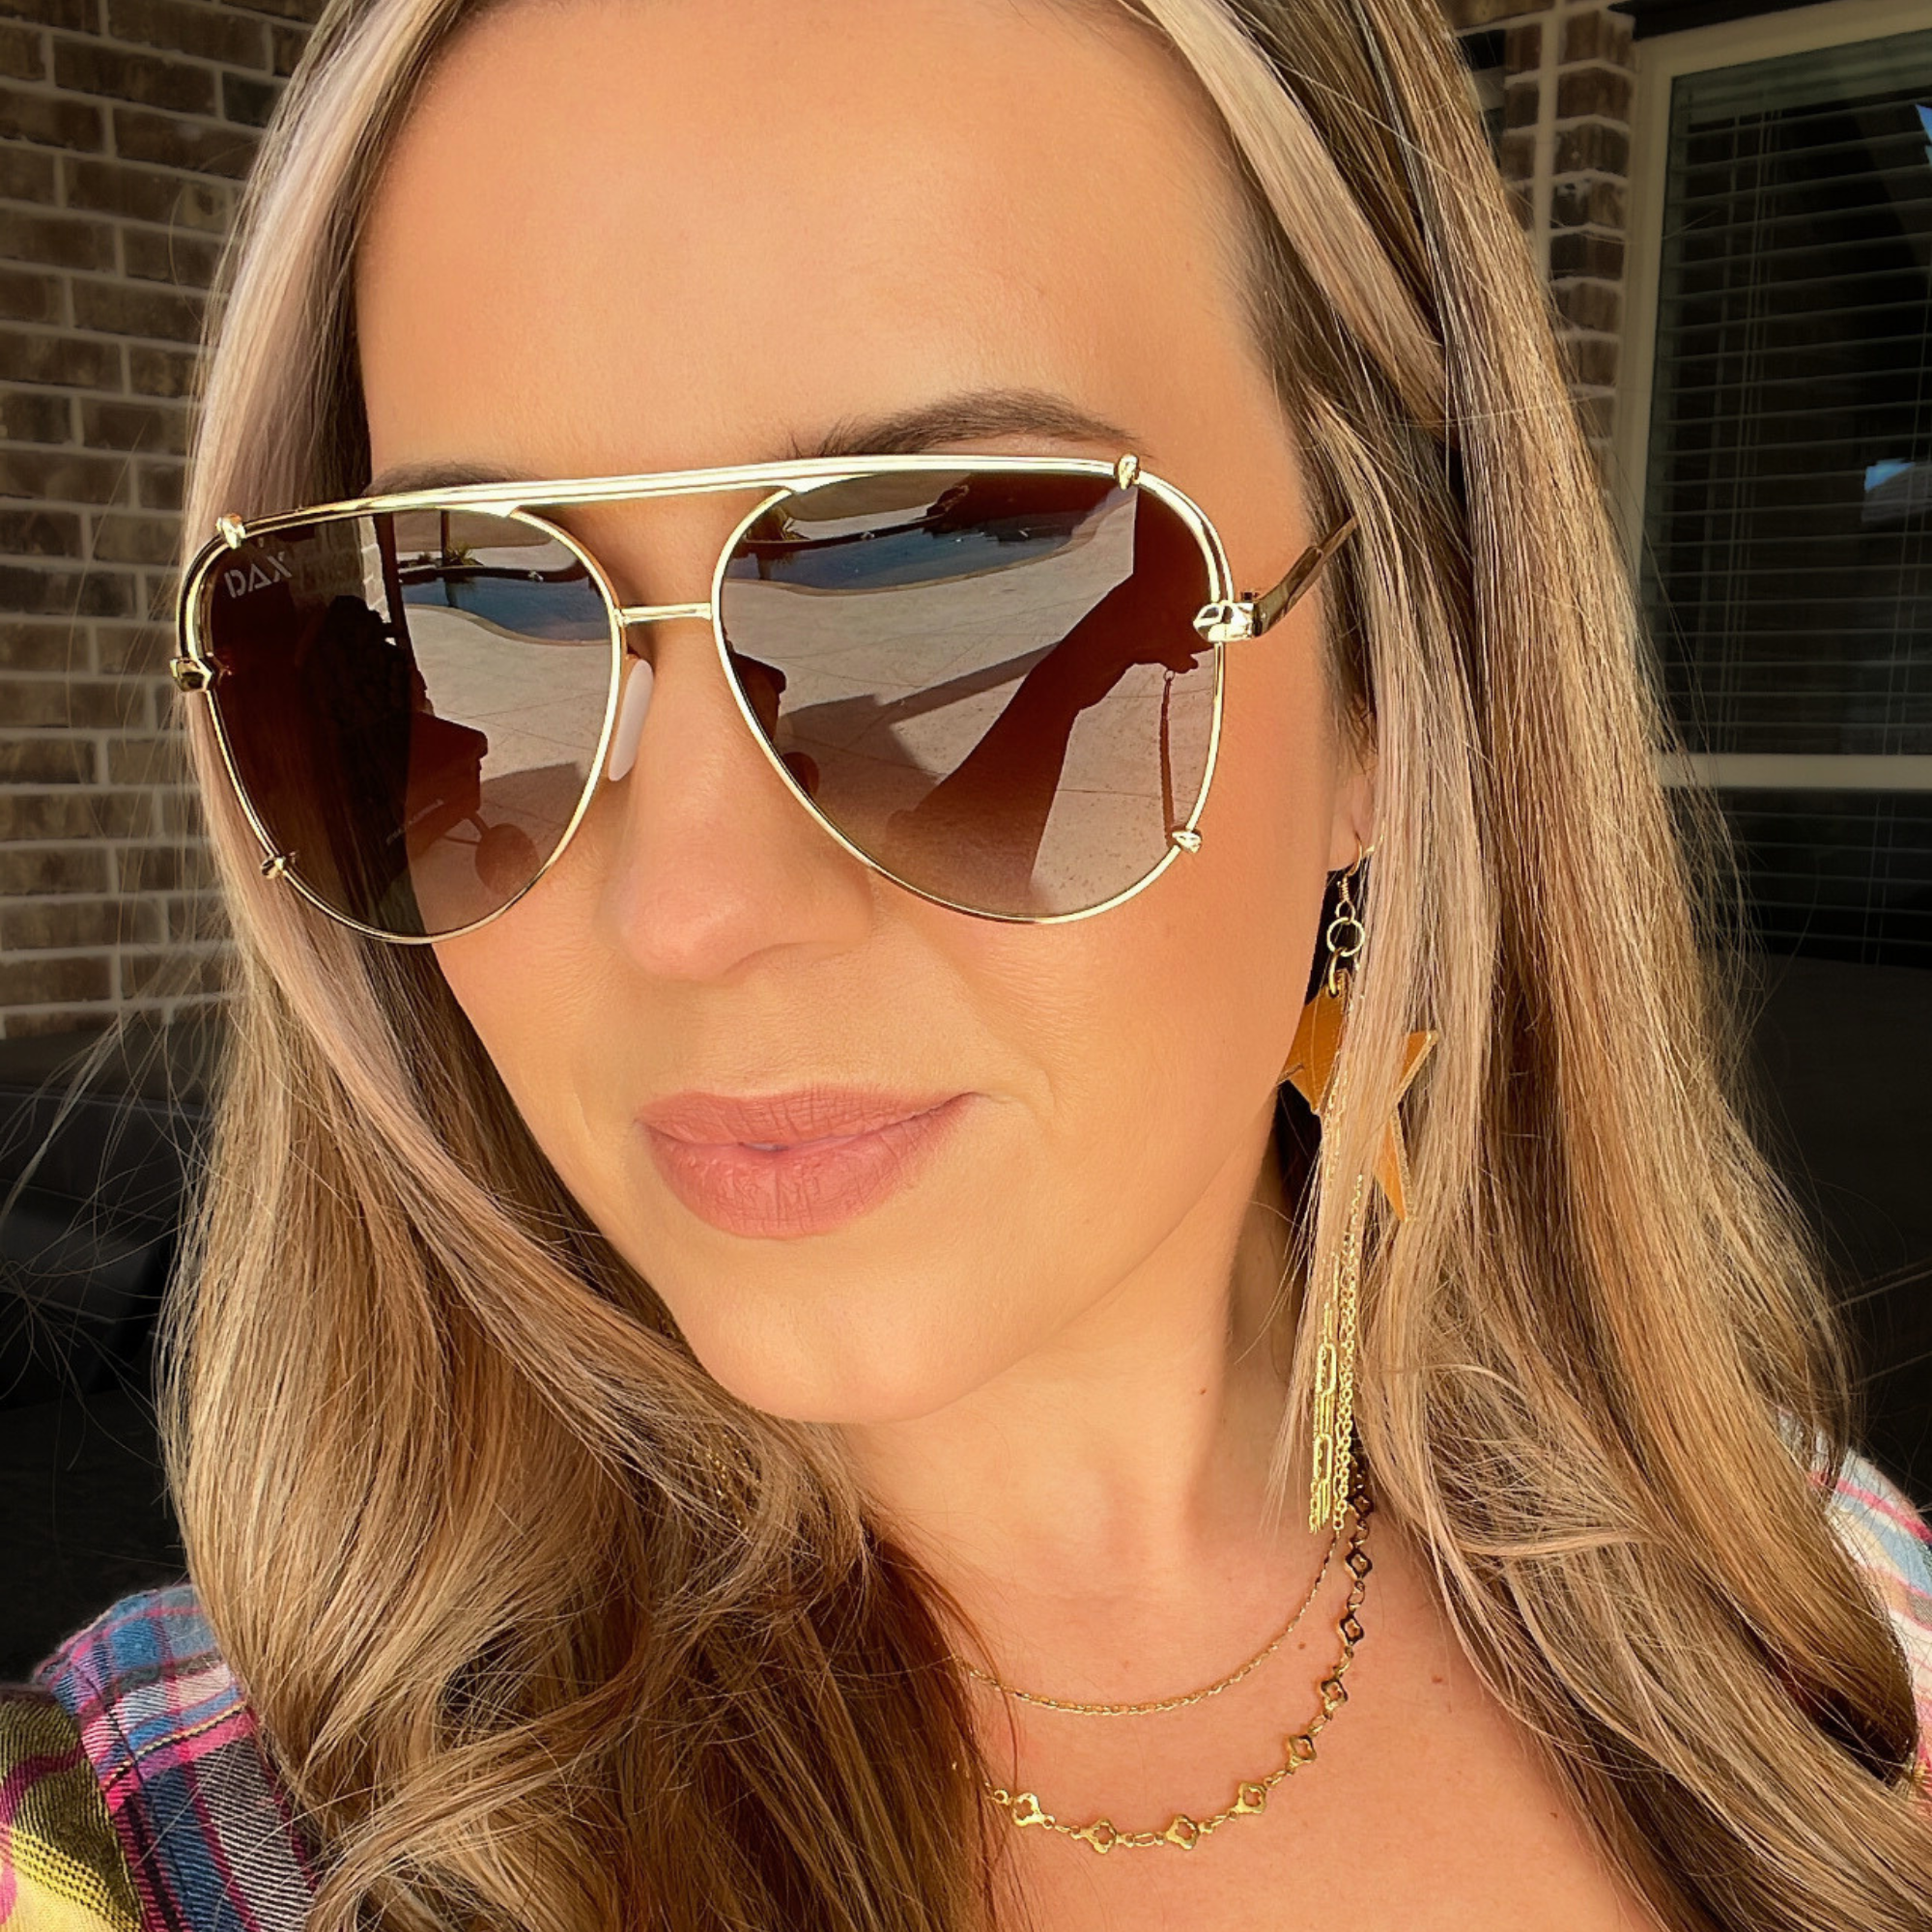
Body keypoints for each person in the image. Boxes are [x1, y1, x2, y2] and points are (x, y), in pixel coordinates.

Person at [4, 0, 1929, 1927]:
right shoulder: (152, 1849)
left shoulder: (1823, 1624)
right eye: (462, 629)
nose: (684, 907)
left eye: (964, 608)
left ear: (1384, 694)